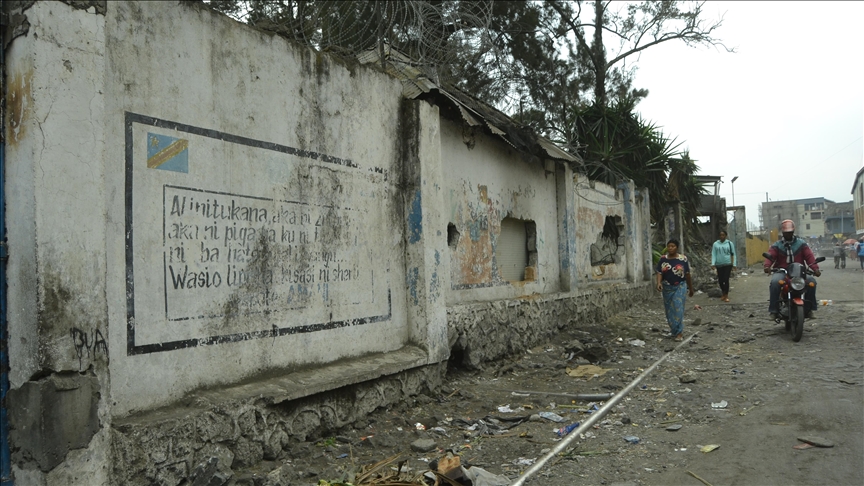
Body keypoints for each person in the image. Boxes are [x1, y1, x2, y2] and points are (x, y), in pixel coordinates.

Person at [763, 220, 821, 319]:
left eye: (790, 232)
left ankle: (809, 309)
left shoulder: (801, 244)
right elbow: (771, 256)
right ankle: (774, 310)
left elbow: (809, 257)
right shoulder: (777, 245)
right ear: (783, 232)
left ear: (793, 232)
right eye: (786, 232)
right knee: (775, 283)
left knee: (811, 282)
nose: (788, 234)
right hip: (782, 271)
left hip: (799, 271)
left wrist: (815, 268)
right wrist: (767, 266)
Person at [655, 238, 693, 341]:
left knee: (678, 307)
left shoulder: (683, 259)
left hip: (680, 286)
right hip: (667, 288)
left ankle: (679, 333)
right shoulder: (663, 259)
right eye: (669, 246)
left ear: (677, 247)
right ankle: (674, 330)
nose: (670, 248)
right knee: (669, 310)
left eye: (673, 246)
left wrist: (691, 288)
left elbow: (688, 274)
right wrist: (658, 283)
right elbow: (659, 272)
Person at [710, 230, 736, 302]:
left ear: (726, 235)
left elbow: (733, 254)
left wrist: (734, 264)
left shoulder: (730, 243)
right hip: (719, 264)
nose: (722, 236)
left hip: (728, 264)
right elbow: (714, 254)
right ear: (719, 236)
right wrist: (713, 263)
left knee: (726, 279)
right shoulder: (715, 244)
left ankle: (726, 295)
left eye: (723, 235)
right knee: (720, 280)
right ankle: (723, 293)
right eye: (720, 235)